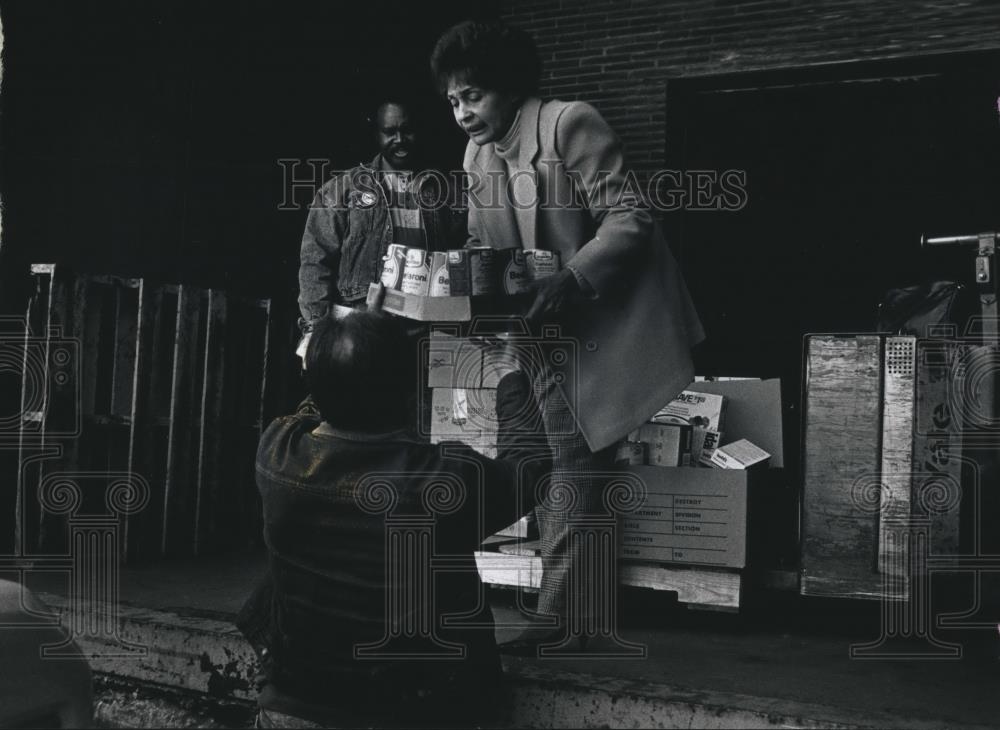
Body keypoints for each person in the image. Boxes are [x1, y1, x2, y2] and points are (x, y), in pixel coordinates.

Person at [430, 19, 705, 647]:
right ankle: (571, 614)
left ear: (508, 85)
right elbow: (482, 244)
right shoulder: (476, 154)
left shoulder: (568, 124)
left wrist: (573, 279)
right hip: (534, 335)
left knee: (575, 465)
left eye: (472, 95)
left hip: (599, 329)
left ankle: (559, 621)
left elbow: (630, 216)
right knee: (532, 461)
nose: (461, 113)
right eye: (452, 101)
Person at [236, 308, 550, 728]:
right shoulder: (443, 479)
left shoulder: (277, 453)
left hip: (291, 702)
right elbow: (528, 469)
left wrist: (338, 353)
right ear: (409, 394)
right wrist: (512, 376)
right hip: (410, 708)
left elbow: (320, 403)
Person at [296, 96, 465, 334]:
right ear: (376, 134)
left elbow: (465, 258)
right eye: (390, 132)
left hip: (426, 333)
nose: (399, 140)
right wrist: (317, 331)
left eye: (408, 131)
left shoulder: (447, 193)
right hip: (359, 331)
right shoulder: (341, 190)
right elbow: (315, 265)